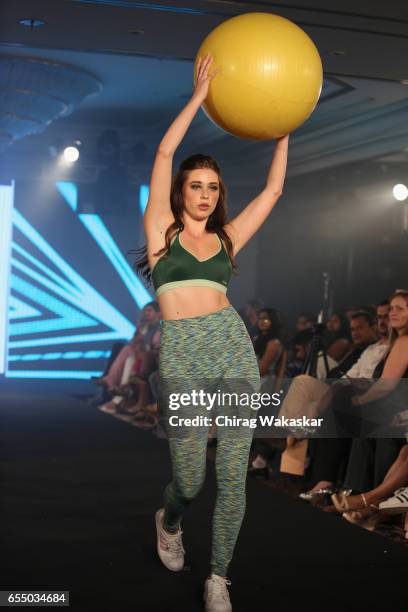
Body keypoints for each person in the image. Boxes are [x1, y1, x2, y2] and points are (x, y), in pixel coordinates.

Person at [135, 54, 289, 612]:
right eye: (196, 185)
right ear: (181, 191)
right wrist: (200, 98)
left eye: (212, 187)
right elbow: (163, 152)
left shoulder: (225, 240)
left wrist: (283, 128)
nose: (203, 193)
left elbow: (272, 193)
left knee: (233, 476)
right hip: (182, 349)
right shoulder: (160, 231)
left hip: (230, 343)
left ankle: (219, 576)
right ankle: (170, 518)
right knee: (191, 478)